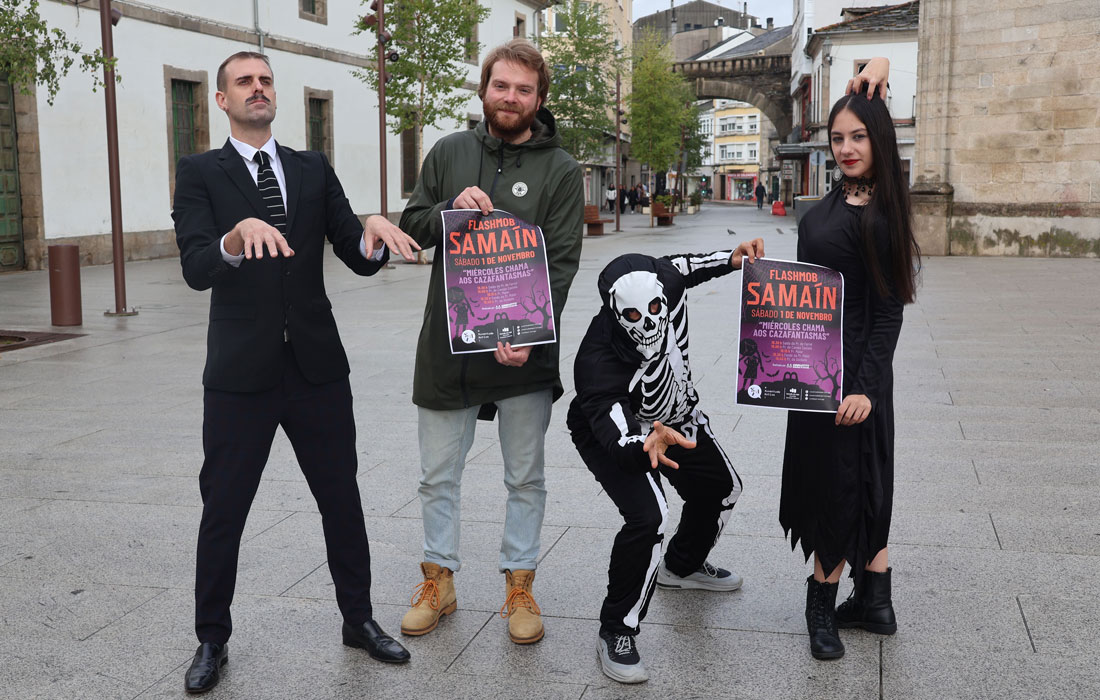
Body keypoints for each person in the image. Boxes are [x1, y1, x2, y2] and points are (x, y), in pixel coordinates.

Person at [172, 51, 419, 693]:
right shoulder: (200, 172)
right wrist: (232, 238)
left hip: (315, 368)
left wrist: (370, 231)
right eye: (244, 82)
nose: (259, 89)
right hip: (238, 373)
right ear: (221, 100)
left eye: (266, 80)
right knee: (223, 507)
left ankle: (357, 619)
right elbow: (196, 266)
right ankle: (211, 639)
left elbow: (352, 253)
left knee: (341, 497)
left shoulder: (311, 168)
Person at [397, 39, 584, 645]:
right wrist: (451, 209)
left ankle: (520, 584)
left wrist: (528, 331)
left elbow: (561, 261)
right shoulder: (450, 151)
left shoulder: (561, 170)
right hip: (447, 347)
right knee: (436, 475)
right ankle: (439, 580)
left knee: (524, 477)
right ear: (484, 90)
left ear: (539, 98)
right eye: (501, 86)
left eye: (523, 89)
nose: (510, 97)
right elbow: (412, 227)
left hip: (523, 353)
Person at [567, 240, 764, 684]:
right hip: (618, 431)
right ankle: (617, 628)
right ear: (616, 314)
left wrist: (735, 259)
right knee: (650, 515)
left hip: (678, 413)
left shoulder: (667, 278)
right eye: (634, 316)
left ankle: (683, 565)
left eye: (656, 307)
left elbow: (694, 264)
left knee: (722, 487)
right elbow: (616, 438)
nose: (650, 321)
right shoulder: (597, 363)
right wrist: (644, 446)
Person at [780, 59, 921, 661]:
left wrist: (863, 386)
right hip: (815, 375)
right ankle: (876, 603)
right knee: (846, 482)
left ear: (879, 137)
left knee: (849, 485)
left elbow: (889, 312)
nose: (845, 147)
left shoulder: (886, 213)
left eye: (858, 136)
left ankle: (824, 603)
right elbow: (797, 301)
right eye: (837, 138)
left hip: (859, 378)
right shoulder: (819, 214)